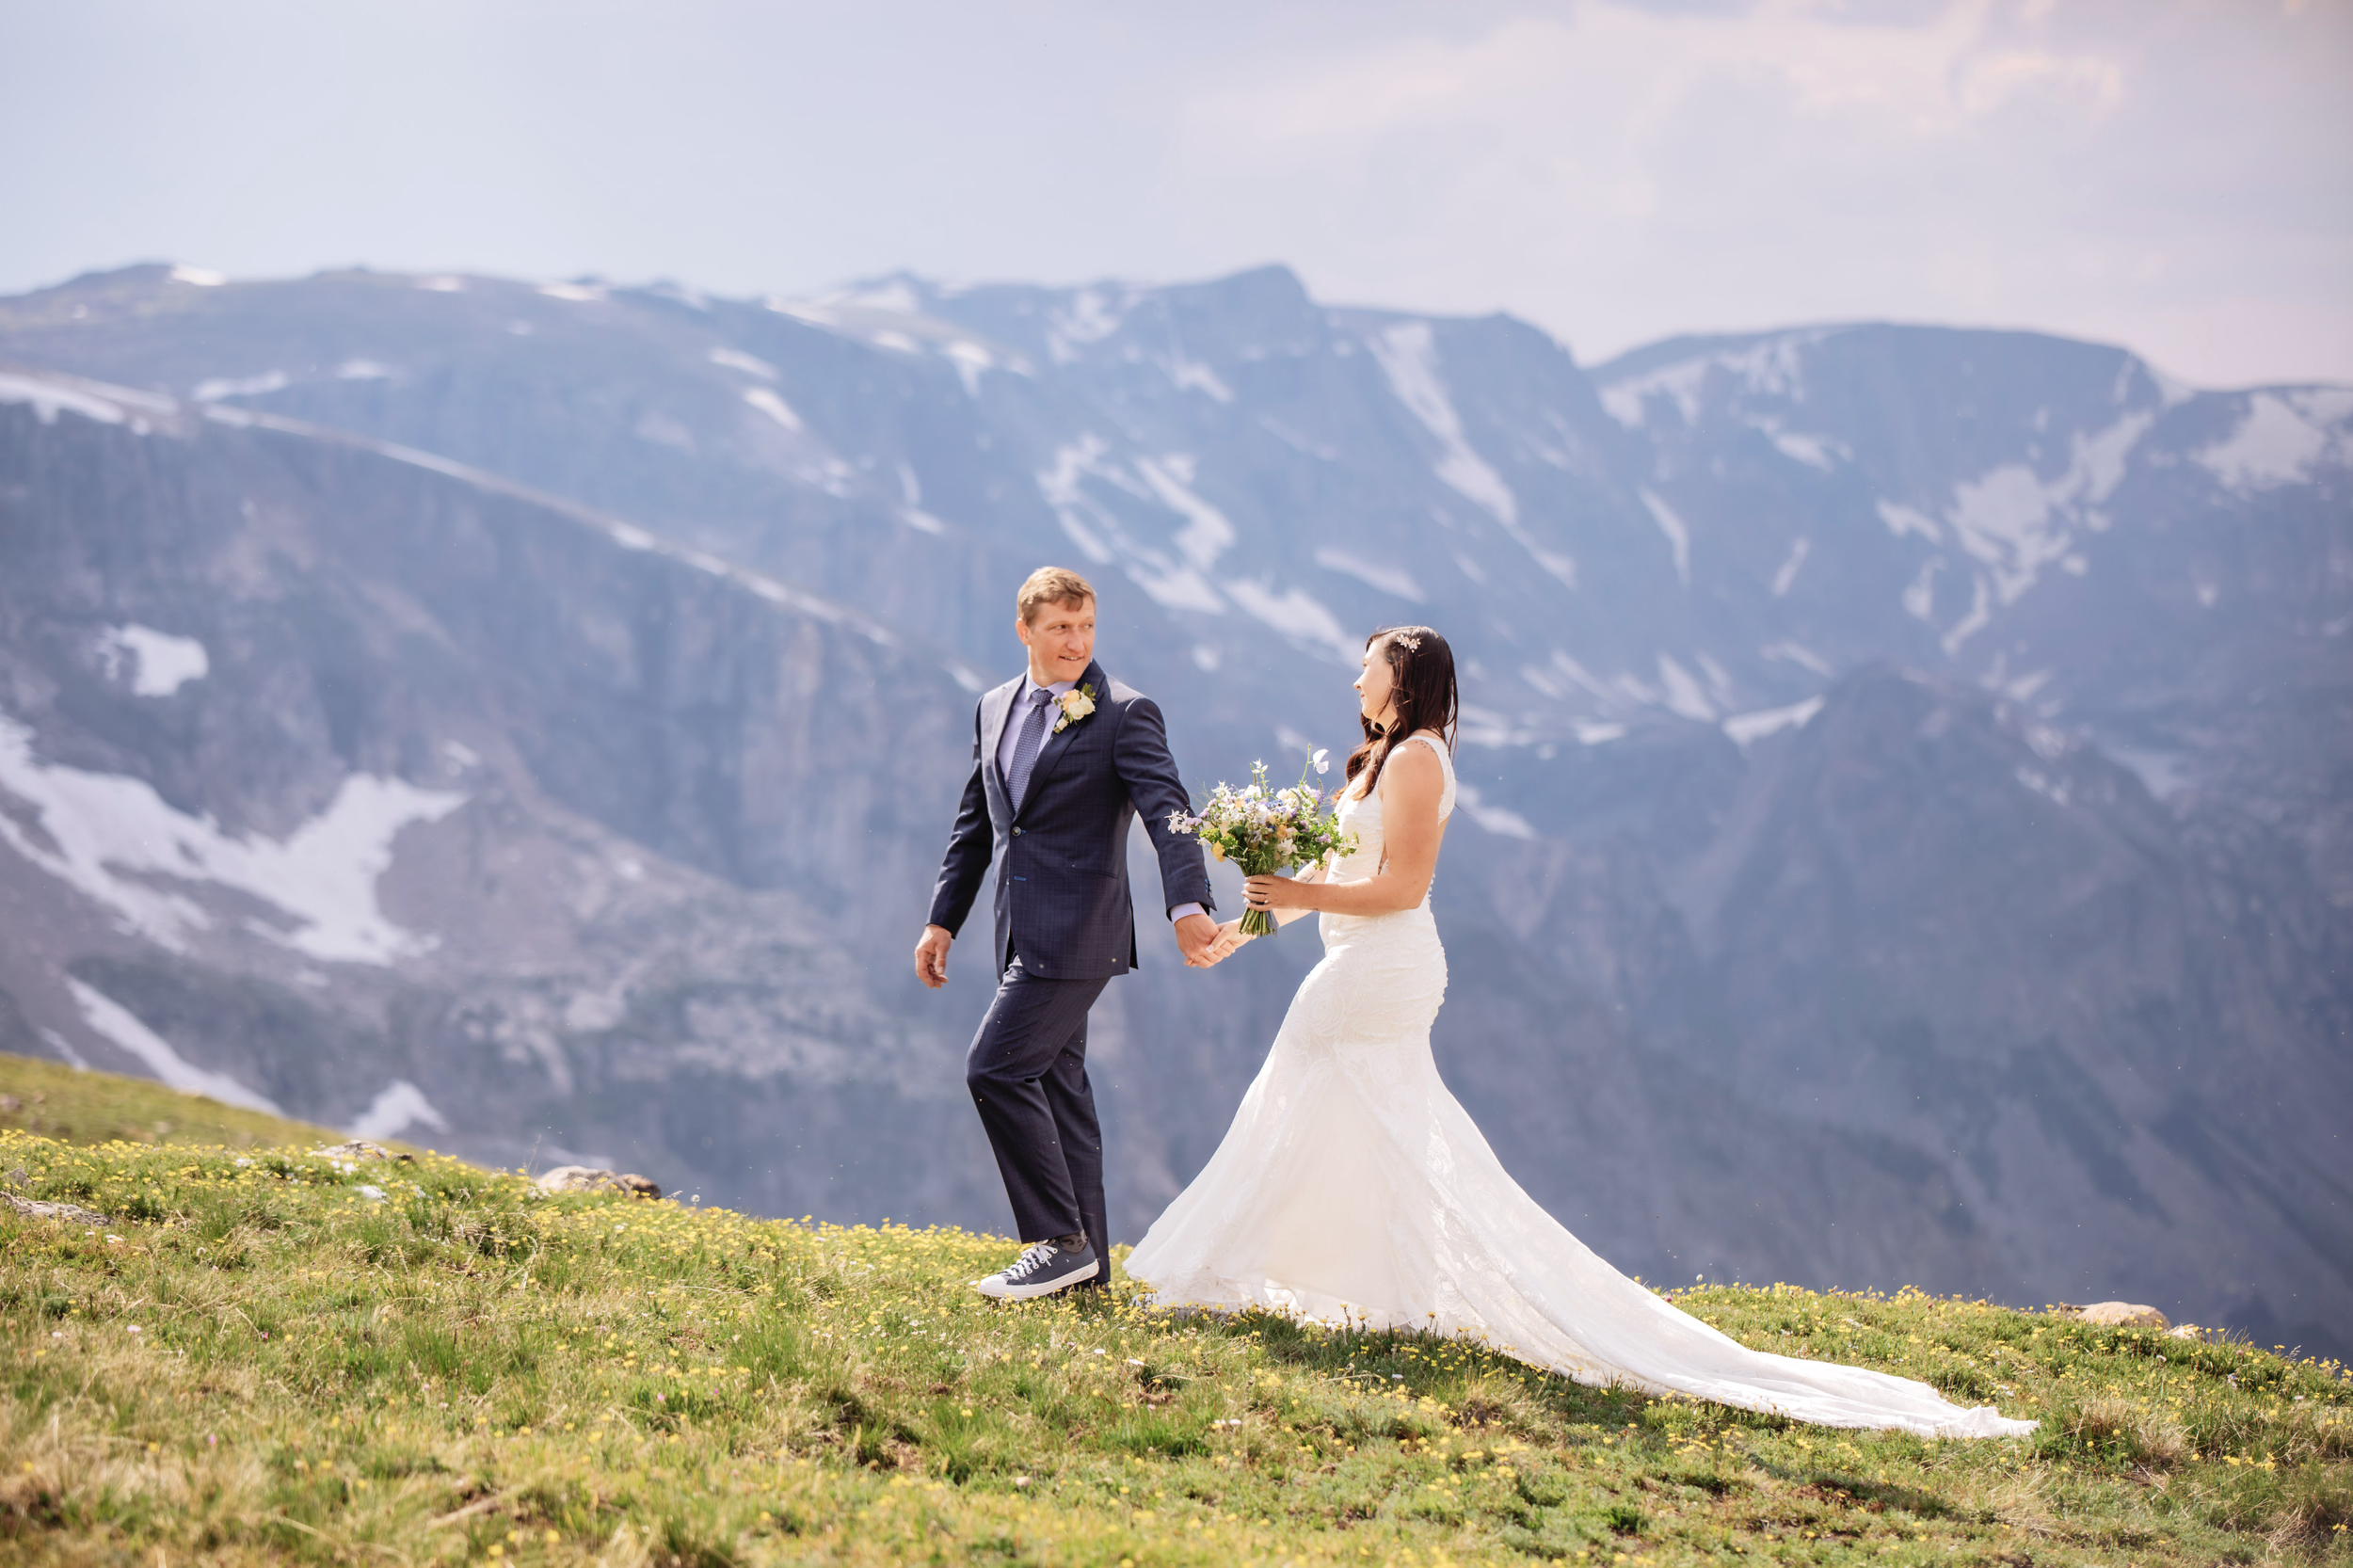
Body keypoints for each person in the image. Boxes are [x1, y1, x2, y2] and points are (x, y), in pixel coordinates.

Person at [1124, 625, 2036, 1439]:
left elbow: (1400, 889)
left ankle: (1224, 1264)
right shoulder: (1377, 758)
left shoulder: (1417, 763)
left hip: (1381, 967)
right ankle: (1377, 1287)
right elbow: (1327, 866)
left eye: (1365, 668)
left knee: (1301, 1101)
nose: (1353, 681)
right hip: (1358, 961)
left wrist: (1299, 897)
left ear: (1402, 678)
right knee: (1376, 1128)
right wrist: (1240, 936)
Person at [916, 567, 1220, 1301]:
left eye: (1086, 628)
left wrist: (1188, 907)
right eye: (1060, 629)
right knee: (1059, 1089)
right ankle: (1087, 1276)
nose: (1076, 642)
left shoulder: (1124, 712)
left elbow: (1169, 812)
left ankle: (1056, 1243)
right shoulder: (992, 708)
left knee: (995, 1068)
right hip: (1014, 930)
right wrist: (941, 918)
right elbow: (979, 827)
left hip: (1082, 932)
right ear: (1025, 630)